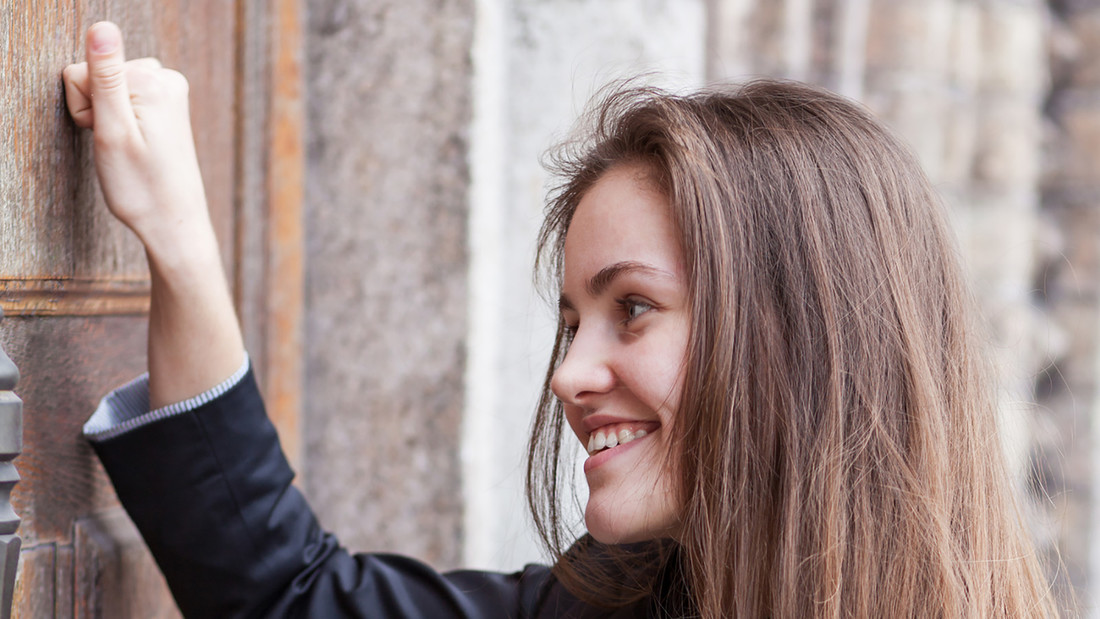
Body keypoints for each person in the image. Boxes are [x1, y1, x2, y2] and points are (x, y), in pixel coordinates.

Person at [64, 20, 1059, 618]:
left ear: (801, 333)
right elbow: (289, 601)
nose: (569, 374)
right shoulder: (611, 604)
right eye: (572, 320)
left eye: (632, 309)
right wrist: (181, 245)